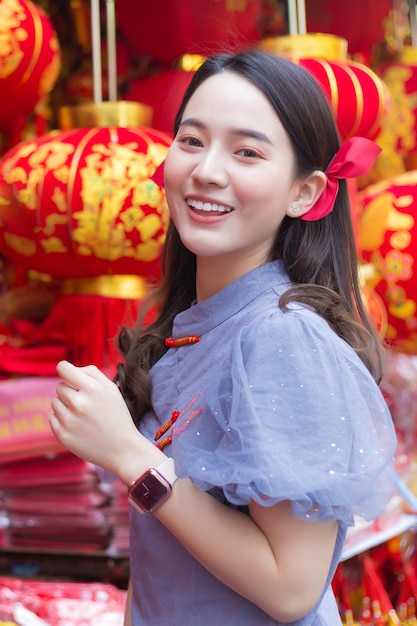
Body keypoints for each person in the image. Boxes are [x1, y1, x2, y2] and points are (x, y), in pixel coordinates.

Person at [50, 50, 397, 625]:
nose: (206, 170)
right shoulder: (192, 329)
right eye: (191, 140)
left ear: (305, 193)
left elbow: (291, 588)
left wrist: (131, 456)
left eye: (247, 152)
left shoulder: (283, 338)